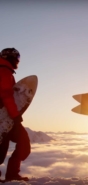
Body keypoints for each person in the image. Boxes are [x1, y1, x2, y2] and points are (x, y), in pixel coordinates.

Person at [0, 48, 30, 181]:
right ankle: (12, 175)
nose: (18, 61)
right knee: (23, 142)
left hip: (4, 117)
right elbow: (6, 94)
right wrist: (15, 115)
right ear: (9, 57)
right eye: (16, 58)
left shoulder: (5, 71)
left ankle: (12, 175)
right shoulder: (4, 71)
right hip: (6, 117)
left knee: (1, 146)